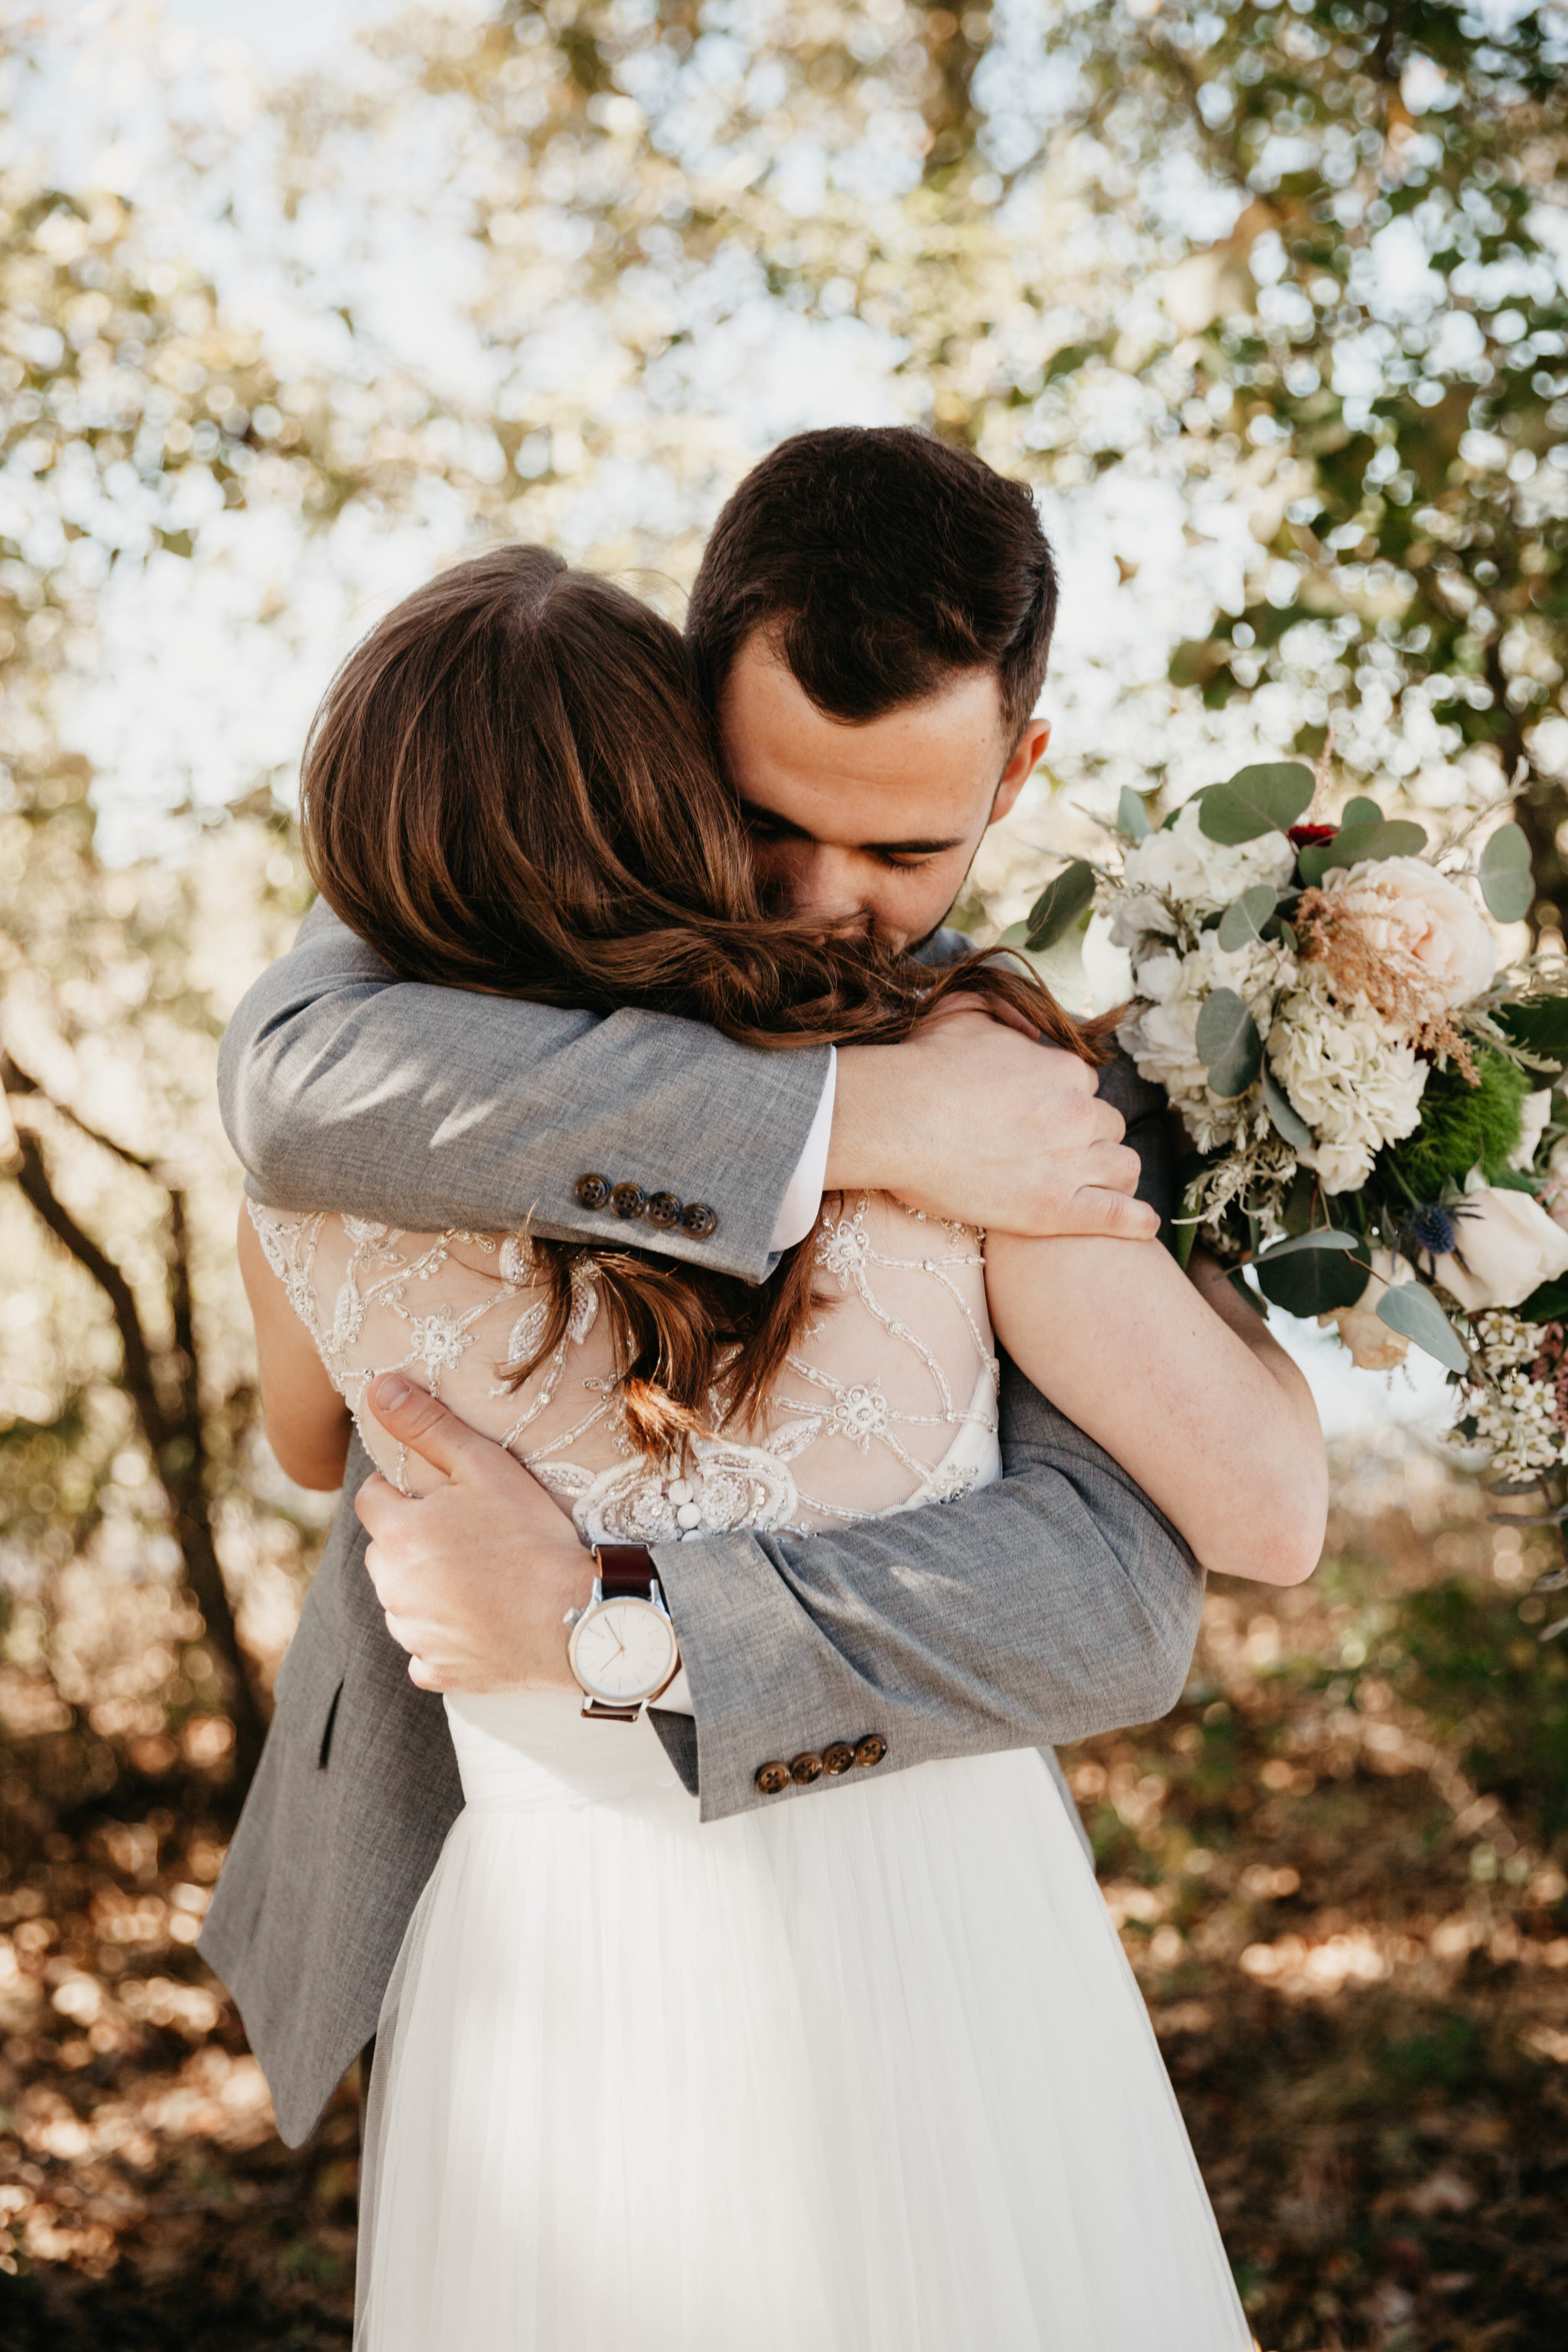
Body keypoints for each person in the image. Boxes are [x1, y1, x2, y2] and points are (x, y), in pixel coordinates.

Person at [231, 540, 1323, 2348]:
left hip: (594, 1914)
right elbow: (289, 1080)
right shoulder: (902, 1078)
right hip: (810, 1925)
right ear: (675, 759)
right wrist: (844, 1112)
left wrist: (593, 1605)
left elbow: (299, 1439)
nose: (823, 907)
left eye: (903, 853)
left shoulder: (982, 1094)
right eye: (767, 826)